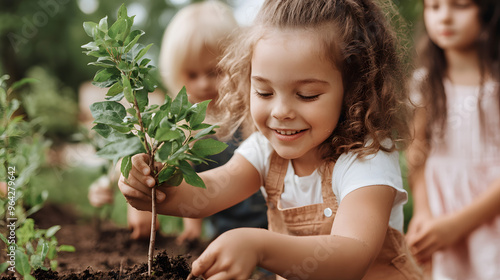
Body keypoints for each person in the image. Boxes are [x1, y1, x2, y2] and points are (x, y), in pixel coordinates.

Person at [119, 0, 424, 279]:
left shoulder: (366, 159)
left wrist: (259, 246)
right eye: (264, 92)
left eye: (307, 95)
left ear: (354, 89)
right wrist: (153, 188)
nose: (280, 111)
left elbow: (352, 254)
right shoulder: (265, 151)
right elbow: (206, 193)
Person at [126, 0, 268, 243]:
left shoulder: (251, 115)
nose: (203, 83)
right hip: (223, 238)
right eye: (192, 75)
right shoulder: (186, 127)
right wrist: (189, 224)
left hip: (270, 232)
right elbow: (183, 172)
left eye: (214, 72)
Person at [405, 0, 500, 279]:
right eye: (433, 7)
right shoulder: (425, 82)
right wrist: (423, 213)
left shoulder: (495, 85)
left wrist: (457, 226)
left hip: (489, 218)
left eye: (459, 6)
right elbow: (417, 152)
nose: (444, 18)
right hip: (439, 213)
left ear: (487, 10)